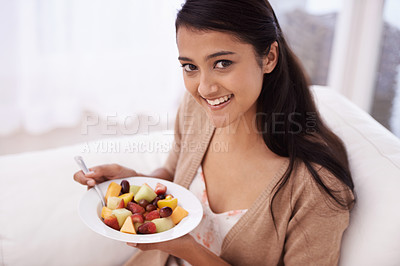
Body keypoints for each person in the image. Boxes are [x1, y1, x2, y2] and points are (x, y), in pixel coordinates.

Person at [74, 0, 355, 265]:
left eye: (222, 63)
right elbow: (174, 177)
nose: (204, 88)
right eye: (190, 67)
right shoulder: (197, 111)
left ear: (269, 57)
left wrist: (187, 249)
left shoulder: (316, 187)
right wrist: (133, 184)